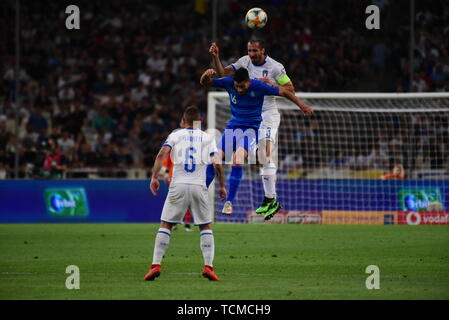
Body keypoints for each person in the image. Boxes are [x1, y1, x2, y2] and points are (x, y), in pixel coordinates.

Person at [200, 67, 313, 219]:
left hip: (251, 130)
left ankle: (229, 202)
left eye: (242, 86)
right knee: (215, 160)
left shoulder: (259, 86)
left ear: (248, 82)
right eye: (237, 86)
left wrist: (302, 106)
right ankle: (200, 192)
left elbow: (285, 92)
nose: (239, 89)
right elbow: (205, 83)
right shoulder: (229, 82)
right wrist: (205, 76)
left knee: (237, 159)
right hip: (232, 128)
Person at [144, 106, 227, 281]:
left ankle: (155, 265)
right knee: (205, 226)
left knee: (165, 225)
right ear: (199, 122)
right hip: (199, 186)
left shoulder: (175, 135)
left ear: (183, 121)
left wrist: (154, 177)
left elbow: (161, 154)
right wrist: (222, 186)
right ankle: (208, 267)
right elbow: (217, 164)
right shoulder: (207, 137)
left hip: (178, 185)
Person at [159, 150, 193, 232]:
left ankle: (187, 223)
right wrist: (166, 173)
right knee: (175, 201)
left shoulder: (191, 150)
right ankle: (173, 222)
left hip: (187, 178)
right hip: (173, 178)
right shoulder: (175, 149)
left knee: (188, 201)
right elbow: (167, 163)